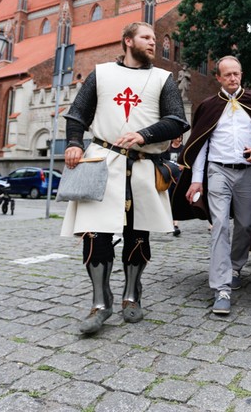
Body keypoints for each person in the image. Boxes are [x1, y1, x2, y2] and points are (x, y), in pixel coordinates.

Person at [61, 22, 188, 336]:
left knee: (137, 235)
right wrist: (74, 143)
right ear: (127, 41)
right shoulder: (101, 73)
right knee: (95, 235)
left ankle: (132, 294)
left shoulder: (163, 79)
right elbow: (78, 114)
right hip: (102, 161)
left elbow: (176, 121)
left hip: (143, 165)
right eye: (146, 37)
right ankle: (99, 302)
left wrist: (144, 135)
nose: (153, 42)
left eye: (154, 38)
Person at [173, 56, 251, 315]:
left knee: (245, 225)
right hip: (217, 171)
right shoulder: (210, 106)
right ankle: (221, 287)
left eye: (236, 74)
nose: (233, 79)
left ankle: (235, 265)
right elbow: (201, 144)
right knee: (220, 226)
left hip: (248, 173)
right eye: (227, 75)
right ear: (219, 78)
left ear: (241, 74)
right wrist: (196, 180)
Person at [165, 136, 184, 236]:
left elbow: (188, 161)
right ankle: (168, 223)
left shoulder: (183, 148)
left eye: (180, 137)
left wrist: (183, 166)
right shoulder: (168, 149)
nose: (178, 139)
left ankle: (175, 224)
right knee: (168, 198)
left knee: (175, 198)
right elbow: (163, 160)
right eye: (176, 137)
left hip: (179, 177)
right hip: (169, 176)